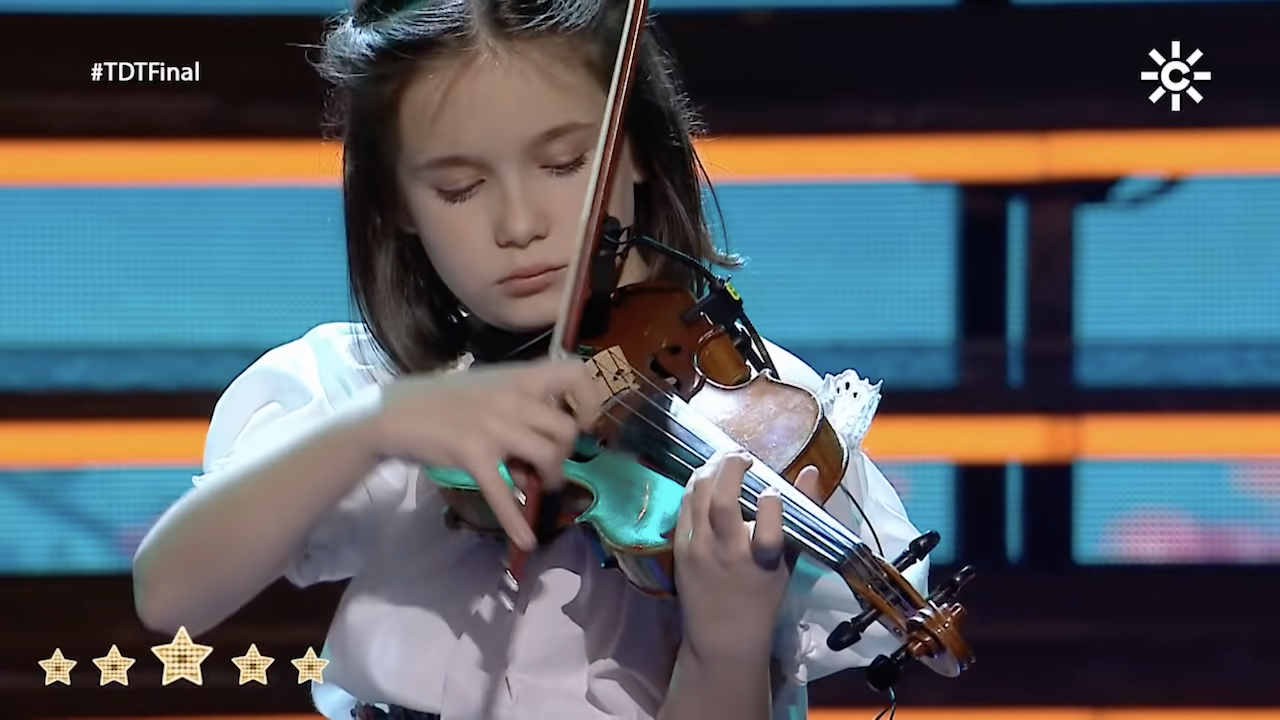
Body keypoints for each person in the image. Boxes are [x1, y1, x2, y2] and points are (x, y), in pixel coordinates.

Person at [131, 1, 930, 719]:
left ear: (640, 153)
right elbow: (169, 595)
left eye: (564, 164)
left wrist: (725, 644)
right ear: (397, 206)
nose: (520, 223)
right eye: (457, 187)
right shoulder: (369, 383)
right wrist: (379, 425)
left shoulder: (762, 418)